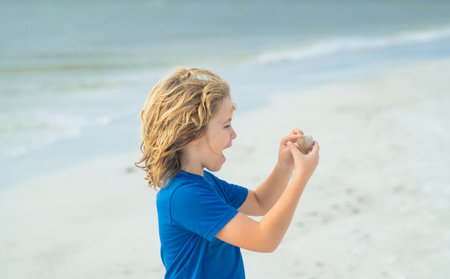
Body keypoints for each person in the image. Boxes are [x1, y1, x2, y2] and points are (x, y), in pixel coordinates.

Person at [136, 67, 319, 279]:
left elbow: (260, 202)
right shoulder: (184, 195)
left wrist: (284, 165)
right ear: (190, 134)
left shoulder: (204, 182)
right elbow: (265, 239)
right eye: (226, 125)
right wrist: (302, 176)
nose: (234, 134)